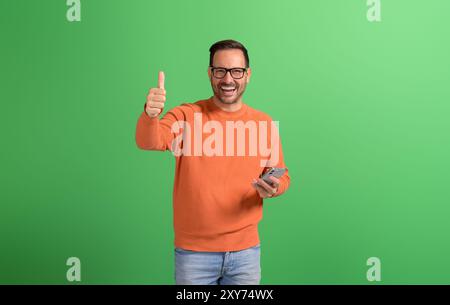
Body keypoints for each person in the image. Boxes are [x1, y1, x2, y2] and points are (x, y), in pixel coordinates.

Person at [135, 39, 290, 285]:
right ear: (210, 73)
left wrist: (274, 187)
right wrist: (150, 115)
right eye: (220, 71)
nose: (228, 79)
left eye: (236, 71)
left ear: (247, 75)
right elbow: (150, 141)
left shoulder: (264, 123)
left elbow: (281, 175)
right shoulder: (186, 115)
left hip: (246, 254)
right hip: (194, 255)